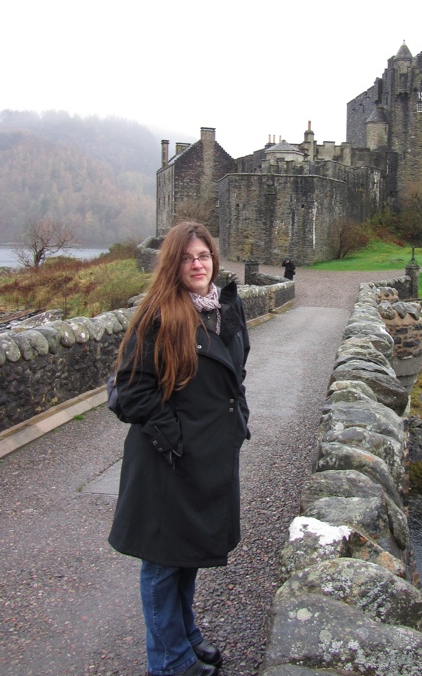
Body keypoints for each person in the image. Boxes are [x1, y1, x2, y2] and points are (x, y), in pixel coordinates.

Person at [108, 221, 250, 676]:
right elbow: (131, 392)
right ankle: (169, 662)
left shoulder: (223, 309)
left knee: (184, 557)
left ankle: (185, 637)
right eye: (187, 257)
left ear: (214, 259)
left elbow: (235, 376)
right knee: (163, 564)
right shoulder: (159, 315)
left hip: (206, 456)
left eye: (203, 256)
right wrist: (176, 437)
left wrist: (237, 419)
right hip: (167, 462)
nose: (197, 264)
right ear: (173, 263)